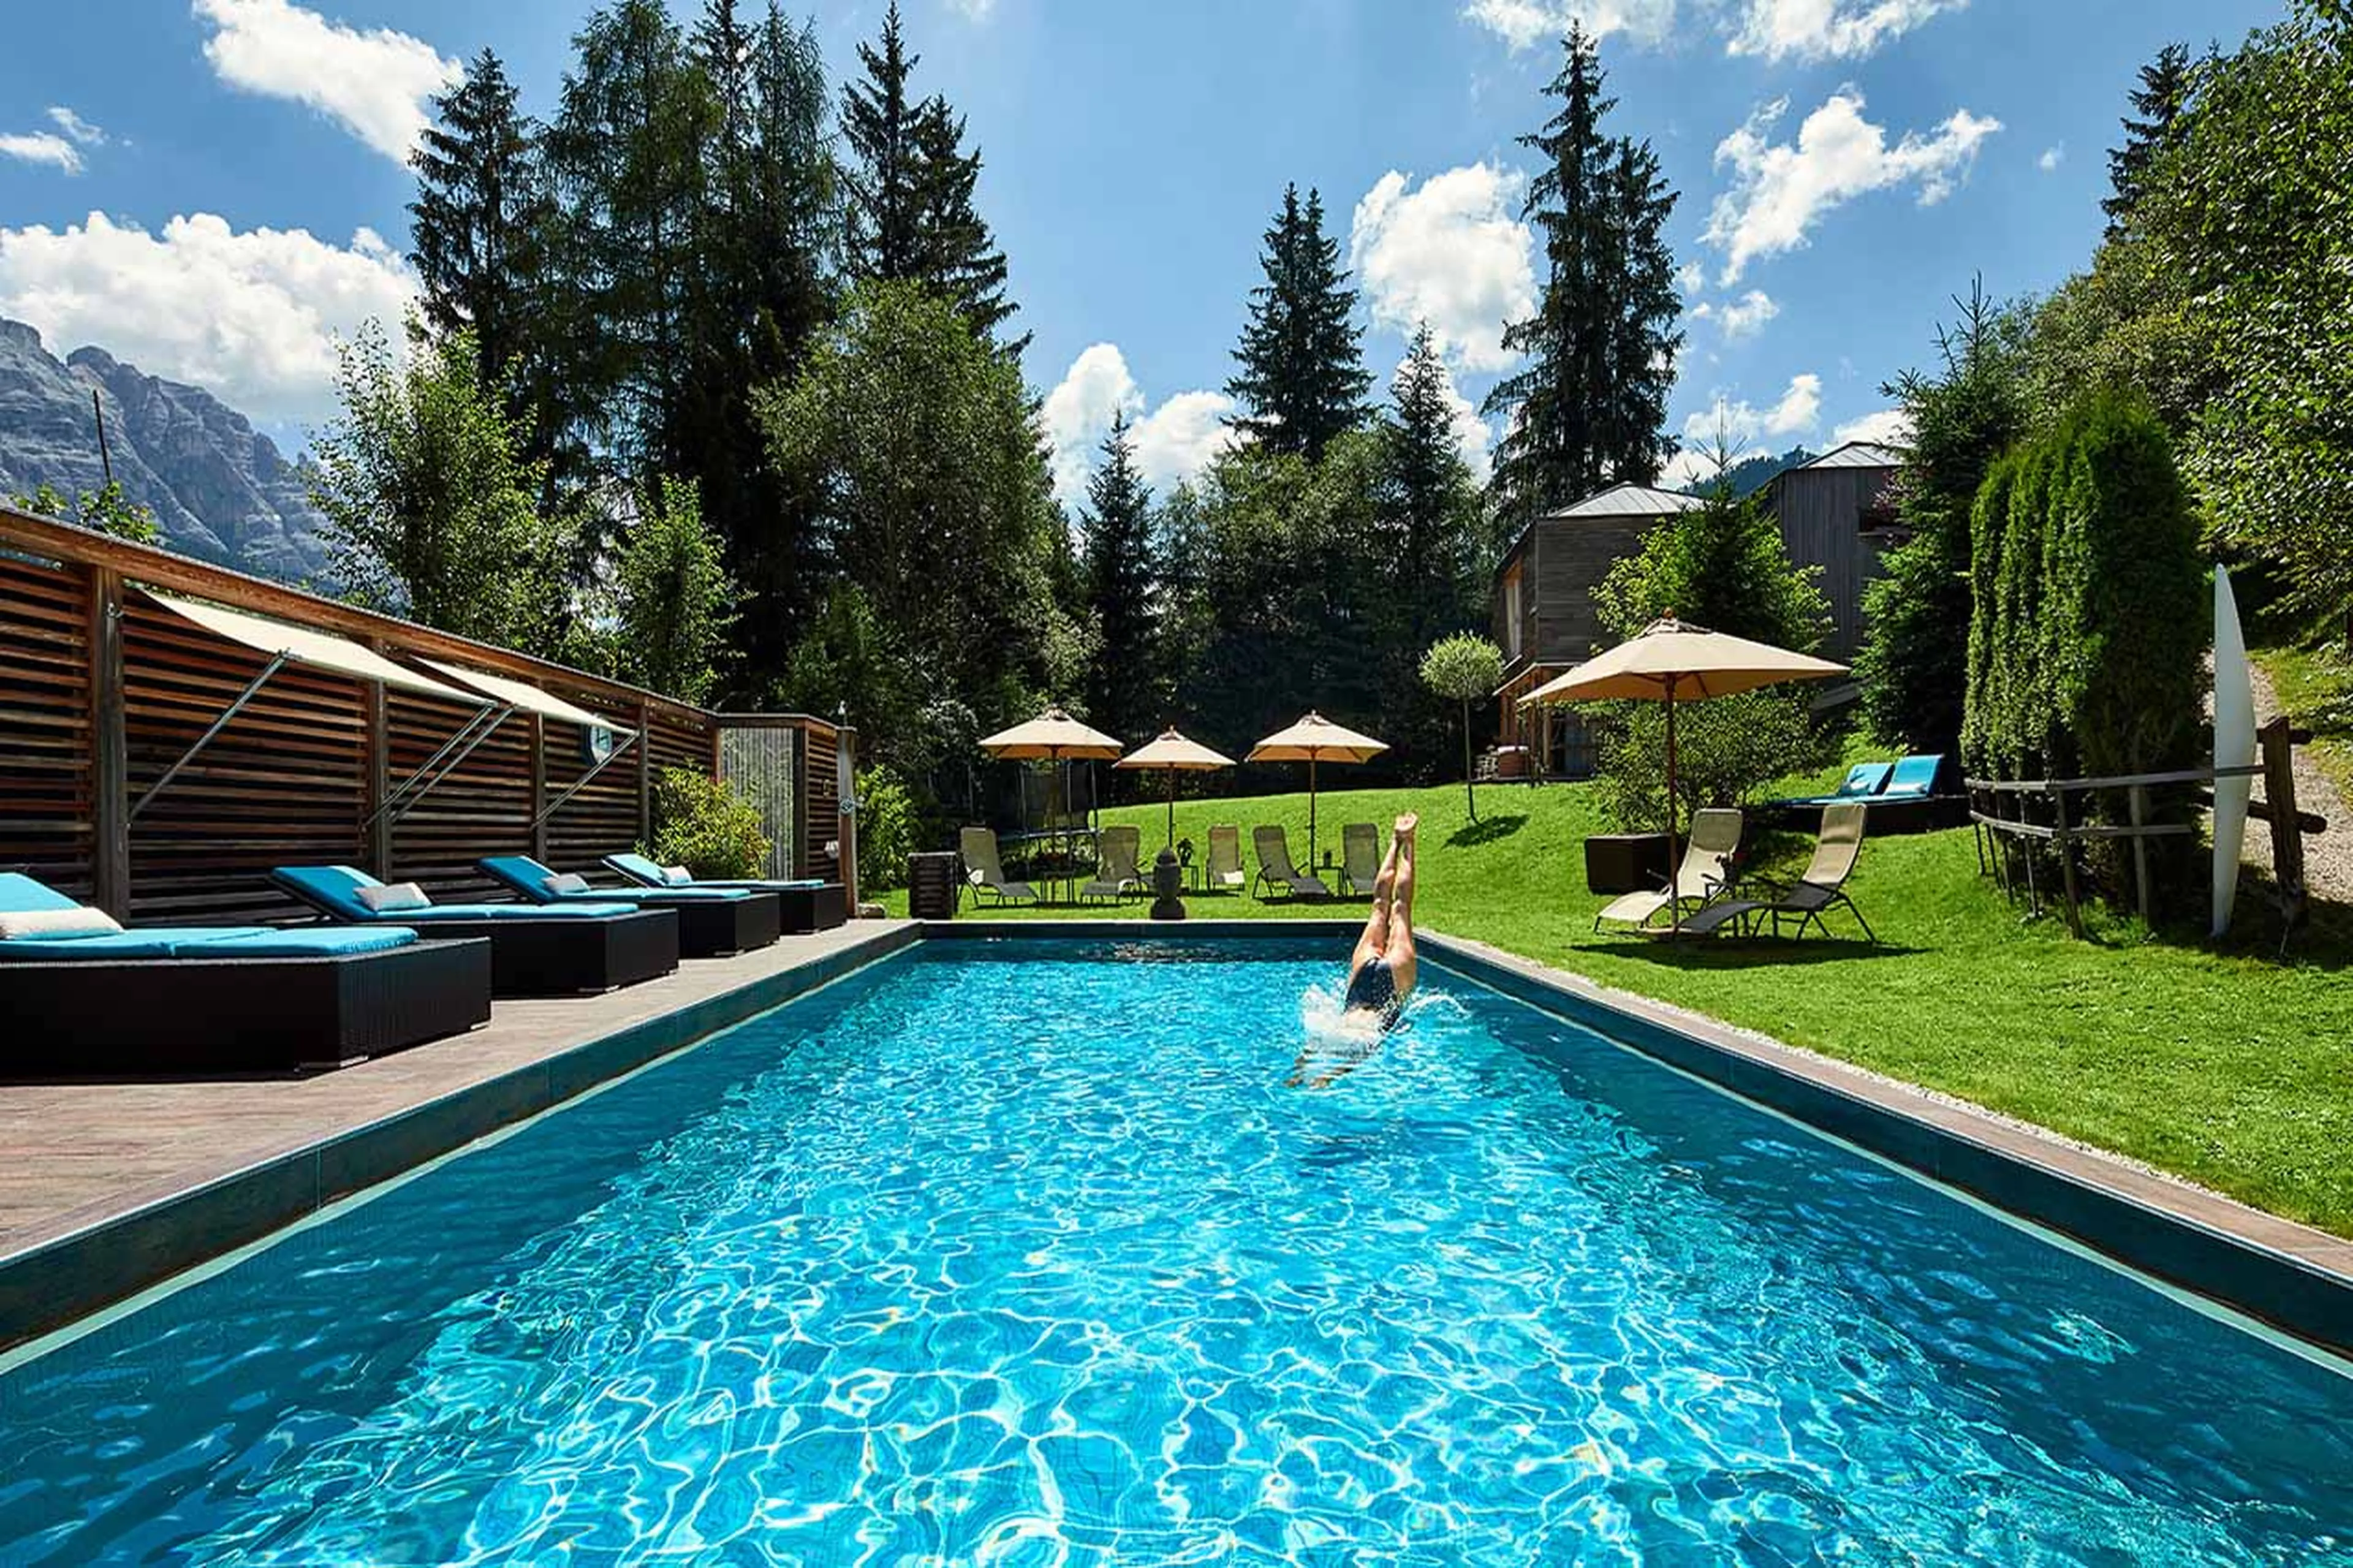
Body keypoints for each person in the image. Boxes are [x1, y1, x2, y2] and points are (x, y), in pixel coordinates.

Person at [1289, 814, 1418, 1088]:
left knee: (1388, 906)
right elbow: (1357, 1054)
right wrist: (1323, 1075)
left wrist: (1304, 1073)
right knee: (1396, 907)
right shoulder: (1334, 1032)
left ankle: (1400, 842)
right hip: (1366, 992)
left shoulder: (1332, 1029)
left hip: (1369, 993)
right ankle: (1406, 840)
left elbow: (1333, 1050)